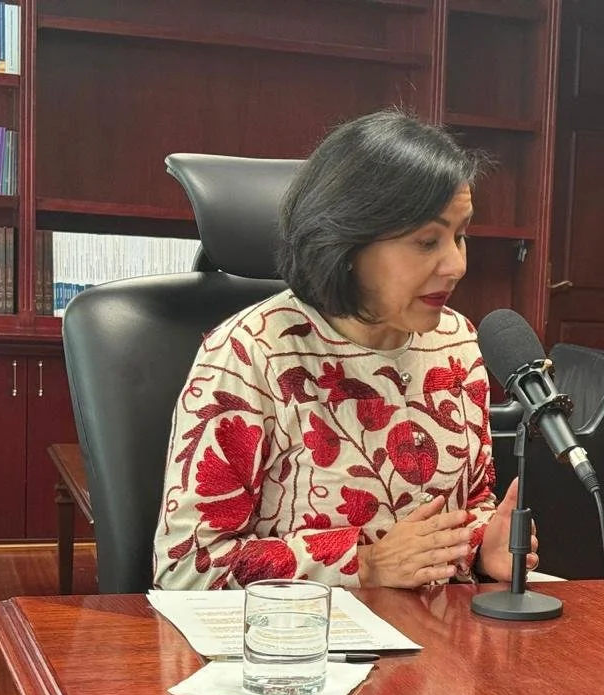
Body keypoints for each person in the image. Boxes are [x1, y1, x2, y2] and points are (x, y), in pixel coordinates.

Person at [153, 109, 538, 589]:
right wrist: (366, 565)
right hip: (302, 646)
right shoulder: (250, 356)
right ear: (347, 243)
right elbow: (187, 569)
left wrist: (485, 545)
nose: (456, 264)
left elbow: (466, 508)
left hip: (438, 639)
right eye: (426, 242)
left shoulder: (457, 342)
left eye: (460, 236)